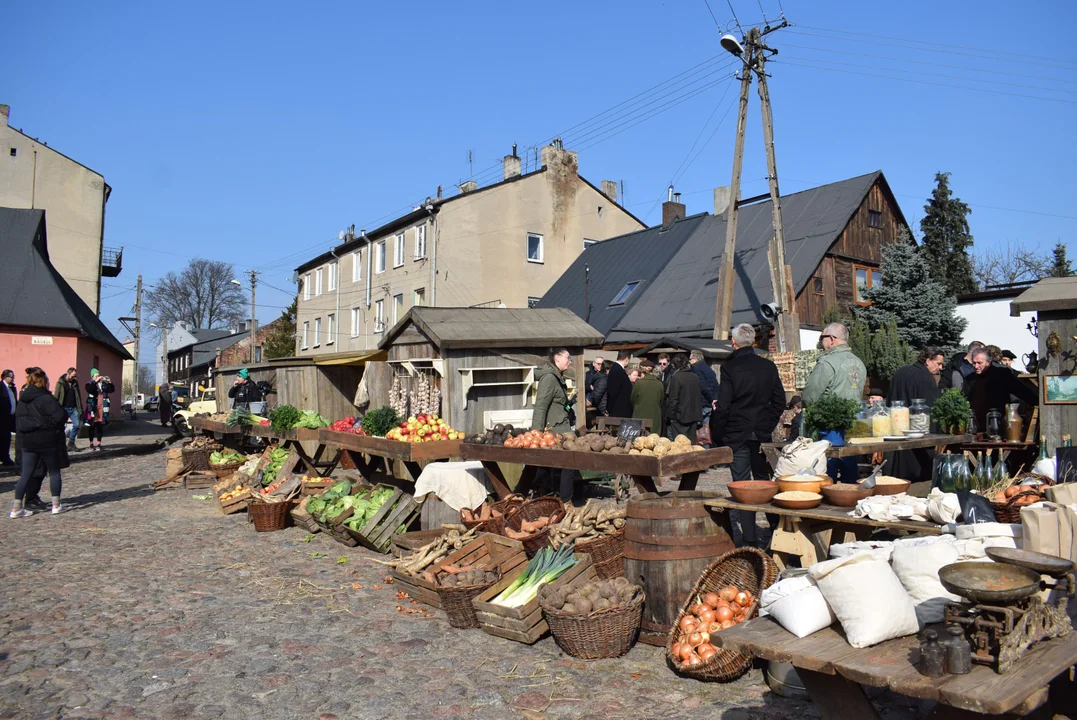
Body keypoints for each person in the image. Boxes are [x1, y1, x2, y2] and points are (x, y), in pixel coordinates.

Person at [711, 324, 786, 547]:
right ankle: (775, 529)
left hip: (738, 431)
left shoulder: (730, 368)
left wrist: (719, 433)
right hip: (761, 431)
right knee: (764, 481)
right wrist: (767, 422)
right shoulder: (768, 366)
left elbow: (723, 406)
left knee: (742, 485)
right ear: (753, 341)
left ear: (734, 342)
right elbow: (779, 401)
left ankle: (750, 538)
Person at [802, 322, 867, 483]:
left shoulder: (827, 362)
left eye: (822, 337)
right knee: (849, 465)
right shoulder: (859, 363)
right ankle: (849, 500)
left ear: (831, 339)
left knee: (826, 470)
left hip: (827, 424)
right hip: (853, 423)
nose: (821, 342)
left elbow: (810, 395)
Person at [11, 368, 69, 517]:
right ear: (43, 382)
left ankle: (16, 508)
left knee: (26, 474)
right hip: (47, 440)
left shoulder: (23, 399)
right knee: (54, 472)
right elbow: (61, 416)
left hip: (28, 442)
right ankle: (56, 505)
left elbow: (20, 422)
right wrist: (46, 423)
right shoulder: (46, 398)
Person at [885, 348, 946, 482]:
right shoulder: (926, 379)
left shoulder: (901, 372)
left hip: (895, 433)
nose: (940, 368)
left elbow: (890, 400)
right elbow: (930, 410)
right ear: (928, 361)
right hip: (916, 441)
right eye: (939, 363)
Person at [532, 348, 578, 504]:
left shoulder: (558, 377)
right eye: (568, 358)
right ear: (557, 358)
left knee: (547, 466)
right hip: (553, 431)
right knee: (568, 462)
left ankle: (532, 493)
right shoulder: (550, 379)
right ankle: (565, 500)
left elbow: (557, 405)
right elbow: (541, 406)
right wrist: (536, 434)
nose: (570, 361)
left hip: (560, 429)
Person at [963, 348, 1037, 433]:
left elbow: (1021, 391)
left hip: (997, 423)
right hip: (976, 425)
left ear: (988, 362)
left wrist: (1036, 401)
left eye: (979, 363)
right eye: (974, 363)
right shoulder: (970, 379)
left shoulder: (1001, 374)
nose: (976, 366)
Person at [666, 353, 703, 442]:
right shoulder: (695, 376)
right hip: (693, 416)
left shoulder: (677, 377)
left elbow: (673, 399)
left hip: (680, 417)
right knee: (691, 446)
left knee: (680, 446)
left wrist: (671, 416)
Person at [84, 369, 114, 452]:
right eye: (96, 376)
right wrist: (95, 382)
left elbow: (111, 390)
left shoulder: (103, 384)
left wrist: (109, 382)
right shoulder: (89, 384)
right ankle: (91, 444)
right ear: (92, 377)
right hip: (93, 408)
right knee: (91, 426)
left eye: (98, 375)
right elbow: (90, 390)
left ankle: (99, 444)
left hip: (102, 408)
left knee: (99, 426)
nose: (98, 377)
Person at [630, 360, 664, 434]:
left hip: (639, 415)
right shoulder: (659, 384)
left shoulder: (639, 383)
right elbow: (661, 401)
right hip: (655, 416)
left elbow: (632, 399)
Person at [54, 367, 83, 452]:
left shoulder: (75, 383)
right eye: (73, 376)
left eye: (75, 376)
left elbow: (78, 396)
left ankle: (71, 443)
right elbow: (56, 396)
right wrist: (56, 408)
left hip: (73, 408)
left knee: (77, 425)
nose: (74, 378)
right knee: (61, 427)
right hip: (63, 408)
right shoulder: (60, 383)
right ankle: (62, 445)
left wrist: (80, 408)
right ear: (68, 374)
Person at [689, 349, 719, 420]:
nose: (689, 361)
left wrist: (710, 400)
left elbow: (703, 387)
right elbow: (716, 386)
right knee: (706, 425)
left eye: (690, 359)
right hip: (711, 402)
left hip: (703, 402)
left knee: (699, 426)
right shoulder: (709, 369)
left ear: (695, 359)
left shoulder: (696, 369)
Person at [604, 350, 634, 418]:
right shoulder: (617, 370)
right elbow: (613, 391)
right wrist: (609, 408)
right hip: (618, 410)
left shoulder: (618, 369)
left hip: (620, 409)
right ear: (626, 359)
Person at [1, 369, 16, 467]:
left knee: (7, 438)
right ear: (5, 377)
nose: (13, 379)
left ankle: (5, 457)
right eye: (11, 377)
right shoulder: (1, 387)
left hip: (10, 417)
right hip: (2, 417)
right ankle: (4, 458)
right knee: (2, 438)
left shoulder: (12, 388)